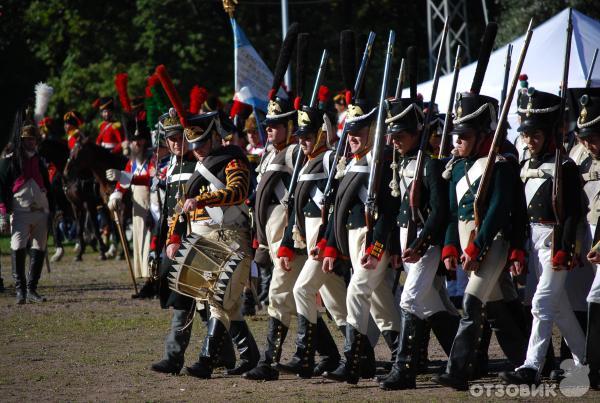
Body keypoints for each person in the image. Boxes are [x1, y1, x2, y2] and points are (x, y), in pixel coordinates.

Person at [432, 92, 528, 390]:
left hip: (492, 243)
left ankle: (458, 370)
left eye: (462, 137)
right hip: (465, 246)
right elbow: (450, 214)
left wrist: (476, 246)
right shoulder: (457, 167)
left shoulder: (498, 164)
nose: (455, 143)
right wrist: (450, 246)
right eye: (456, 137)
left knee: (472, 303)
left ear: (480, 135)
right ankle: (531, 360)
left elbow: (499, 211)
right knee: (499, 307)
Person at [500, 89, 586, 386]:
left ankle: (531, 366)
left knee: (542, 302)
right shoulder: (526, 165)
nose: (529, 141)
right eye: (526, 135)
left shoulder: (566, 167)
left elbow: (573, 214)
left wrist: (565, 247)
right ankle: (586, 360)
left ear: (549, 133)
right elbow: (521, 215)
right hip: (533, 241)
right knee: (558, 307)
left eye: (535, 135)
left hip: (555, 240)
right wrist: (517, 250)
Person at [165, 110, 259, 379]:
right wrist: (174, 237)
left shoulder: (233, 161)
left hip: (232, 239)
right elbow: (181, 208)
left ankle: (206, 361)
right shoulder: (197, 168)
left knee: (219, 299)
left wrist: (205, 200)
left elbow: (239, 191)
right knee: (225, 304)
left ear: (215, 138)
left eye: (202, 144)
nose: (197, 151)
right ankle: (251, 357)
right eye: (193, 146)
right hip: (204, 242)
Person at [379, 96, 459, 390]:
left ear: (416, 133)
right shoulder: (403, 162)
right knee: (429, 302)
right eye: (392, 135)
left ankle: (405, 370)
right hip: (407, 240)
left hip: (425, 244)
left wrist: (421, 242)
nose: (394, 141)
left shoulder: (431, 165)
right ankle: (463, 357)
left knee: (410, 299)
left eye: (400, 135)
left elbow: (439, 212)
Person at [319, 100, 401, 385]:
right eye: (349, 131)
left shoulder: (382, 160)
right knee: (382, 305)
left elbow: (390, 210)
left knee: (356, 292)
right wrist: (330, 245)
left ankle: (352, 362)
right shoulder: (351, 162)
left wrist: (376, 247)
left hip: (373, 241)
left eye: (359, 131)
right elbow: (336, 210)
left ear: (372, 131)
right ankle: (405, 356)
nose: (351, 137)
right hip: (353, 240)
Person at [276, 103, 347, 378]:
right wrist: (287, 243)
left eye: (309, 136)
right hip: (309, 239)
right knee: (338, 305)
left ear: (320, 134)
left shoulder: (329, 160)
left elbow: (338, 205)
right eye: (301, 137)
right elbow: (296, 210)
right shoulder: (304, 164)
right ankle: (361, 353)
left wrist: (327, 241)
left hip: (324, 241)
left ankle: (304, 356)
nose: (303, 142)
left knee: (302, 290)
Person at [243, 95, 303, 381]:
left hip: (289, 237)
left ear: (290, 126)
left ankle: (269, 362)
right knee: (307, 298)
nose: (268, 129)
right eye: (267, 125)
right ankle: (328, 354)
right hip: (270, 234)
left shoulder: (294, 153)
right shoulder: (269, 154)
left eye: (276, 125)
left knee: (278, 296)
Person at [150, 109, 198, 375]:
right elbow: (166, 209)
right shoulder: (169, 166)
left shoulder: (199, 164)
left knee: (201, 304)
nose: (177, 143)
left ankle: (174, 357)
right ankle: (224, 355)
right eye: (172, 139)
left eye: (181, 138)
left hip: (194, 239)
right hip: (172, 241)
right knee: (185, 301)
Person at [0, 108, 51, 304]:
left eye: (34, 140)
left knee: (39, 247)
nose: (32, 143)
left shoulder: (40, 160)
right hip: (20, 210)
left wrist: (54, 210)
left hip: (41, 211)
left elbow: (48, 185)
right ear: (21, 141)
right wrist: (3, 212)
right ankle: (20, 290)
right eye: (28, 140)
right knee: (18, 245)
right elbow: (1, 185)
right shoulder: (10, 160)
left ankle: (32, 289)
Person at [106, 119, 155, 298]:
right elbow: (122, 183)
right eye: (134, 140)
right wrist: (117, 194)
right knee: (141, 244)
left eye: (139, 139)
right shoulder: (131, 162)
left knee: (151, 245)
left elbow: (150, 179)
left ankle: (153, 281)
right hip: (138, 209)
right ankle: (147, 280)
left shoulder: (152, 160)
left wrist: (128, 178)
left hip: (153, 209)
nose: (136, 143)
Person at [575, 87, 600, 389]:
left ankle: (594, 369)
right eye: (583, 138)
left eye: (592, 138)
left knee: (595, 296)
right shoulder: (584, 159)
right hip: (591, 232)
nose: (587, 144)